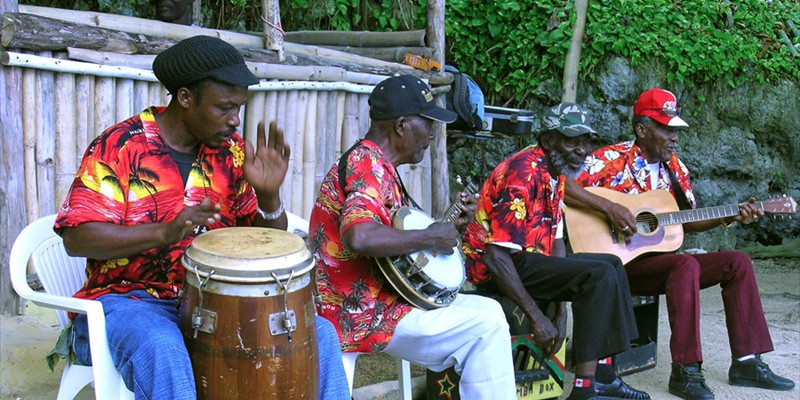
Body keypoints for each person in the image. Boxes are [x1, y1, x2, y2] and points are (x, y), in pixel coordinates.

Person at [54, 35, 349, 400]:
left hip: (211, 304)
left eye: (239, 108)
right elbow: (77, 238)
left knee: (319, 333)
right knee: (163, 345)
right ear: (185, 98)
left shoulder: (231, 153)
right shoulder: (121, 146)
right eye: (224, 108)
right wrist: (163, 232)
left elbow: (261, 246)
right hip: (125, 303)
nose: (235, 120)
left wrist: (269, 195)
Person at [567, 88, 796, 400]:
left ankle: (746, 362)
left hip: (655, 263)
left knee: (736, 262)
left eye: (675, 129)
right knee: (684, 264)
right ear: (642, 130)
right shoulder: (609, 160)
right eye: (665, 128)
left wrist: (730, 216)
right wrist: (609, 208)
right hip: (614, 266)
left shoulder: (674, 168)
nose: (673, 137)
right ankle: (686, 371)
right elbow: (562, 185)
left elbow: (687, 220)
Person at [309, 74, 517, 399]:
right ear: (402, 125)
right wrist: (429, 238)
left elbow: (397, 243)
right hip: (358, 311)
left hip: (380, 300)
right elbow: (359, 236)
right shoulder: (368, 165)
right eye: (428, 124)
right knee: (485, 328)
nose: (433, 135)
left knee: (490, 312)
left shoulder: (380, 167)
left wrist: (447, 231)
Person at [461, 103, 650, 400]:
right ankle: (585, 390)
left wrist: (560, 310)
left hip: (530, 259)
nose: (581, 149)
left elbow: (556, 240)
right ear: (548, 140)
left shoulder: (555, 173)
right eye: (571, 140)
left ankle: (604, 375)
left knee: (611, 264)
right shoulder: (522, 173)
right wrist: (537, 316)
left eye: (585, 141)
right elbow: (495, 256)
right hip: (500, 266)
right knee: (597, 274)